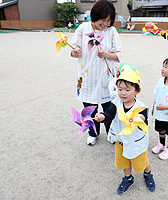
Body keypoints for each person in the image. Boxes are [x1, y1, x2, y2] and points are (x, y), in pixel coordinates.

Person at [95, 66, 156, 195]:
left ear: (137, 91)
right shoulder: (115, 103)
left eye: (127, 90)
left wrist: (139, 117)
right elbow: (109, 114)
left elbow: (144, 118)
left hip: (136, 142)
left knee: (141, 160)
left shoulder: (141, 106)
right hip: (121, 141)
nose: (123, 93)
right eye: (120, 89)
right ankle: (128, 178)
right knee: (124, 162)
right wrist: (102, 116)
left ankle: (148, 174)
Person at [71, 0, 122, 145]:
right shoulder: (83, 28)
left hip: (105, 78)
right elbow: (74, 51)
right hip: (86, 78)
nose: (105, 24)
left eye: (108, 21)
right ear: (95, 15)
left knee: (108, 108)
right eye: (103, 19)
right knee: (89, 109)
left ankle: (111, 132)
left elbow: (118, 55)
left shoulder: (111, 31)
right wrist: (76, 51)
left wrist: (105, 54)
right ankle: (93, 133)